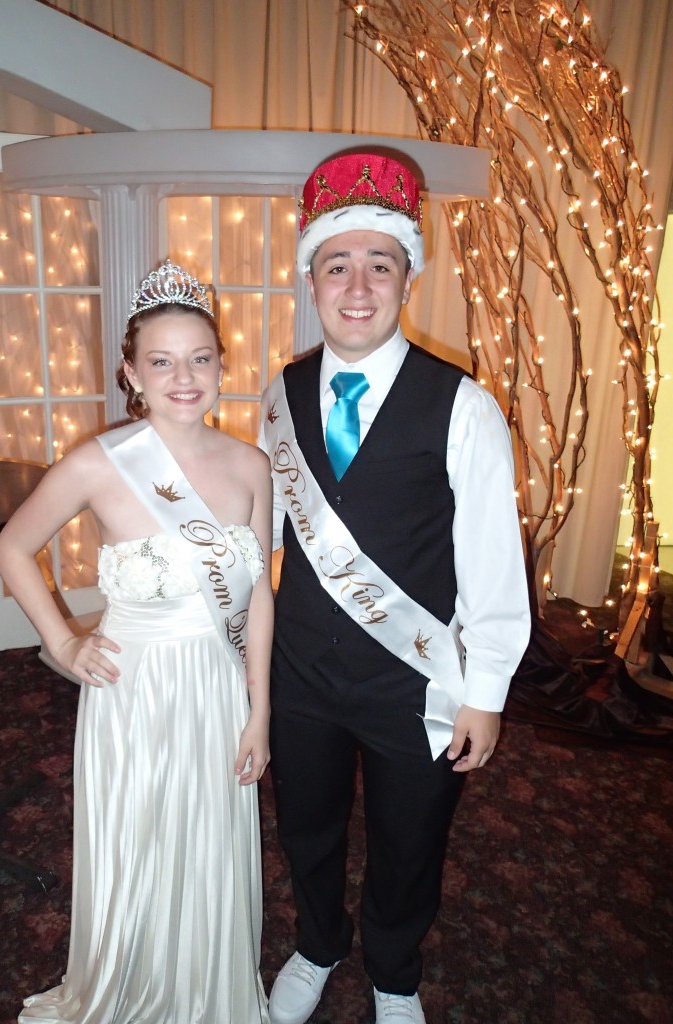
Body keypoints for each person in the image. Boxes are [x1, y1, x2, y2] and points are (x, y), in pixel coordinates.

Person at [260, 153, 531, 1024]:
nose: (358, 285)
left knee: (410, 838)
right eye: (337, 264)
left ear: (409, 277)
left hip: (413, 676)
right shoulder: (281, 392)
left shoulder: (464, 406)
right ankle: (317, 941)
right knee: (306, 824)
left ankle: (393, 969)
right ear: (311, 279)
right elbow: (263, 529)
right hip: (300, 673)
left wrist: (484, 691)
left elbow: (493, 558)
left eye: (382, 263)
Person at [0, 259, 274, 1024]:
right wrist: (62, 641)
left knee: (207, 850)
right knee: (140, 847)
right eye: (161, 361)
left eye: (200, 358)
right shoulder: (99, 462)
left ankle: (203, 991)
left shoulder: (251, 465)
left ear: (222, 364)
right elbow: (13, 550)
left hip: (217, 691)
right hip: (136, 690)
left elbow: (259, 599)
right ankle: (127, 983)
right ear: (132, 372)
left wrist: (260, 710)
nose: (183, 377)